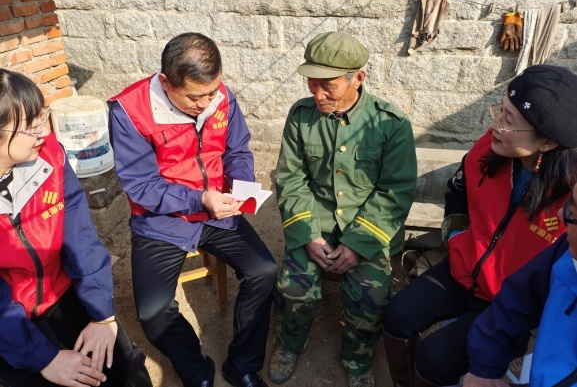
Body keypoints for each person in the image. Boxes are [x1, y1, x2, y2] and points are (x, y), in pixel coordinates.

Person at [381, 64, 577, 387]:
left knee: (434, 359)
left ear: (547, 143)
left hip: (507, 300)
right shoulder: (490, 148)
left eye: (509, 120)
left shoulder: (569, 199)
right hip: (464, 268)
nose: (496, 124)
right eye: (500, 110)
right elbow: (457, 193)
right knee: (396, 316)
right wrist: (457, 238)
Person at [108, 32, 277, 387]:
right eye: (195, 97)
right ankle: (197, 371)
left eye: (212, 92)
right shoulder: (130, 111)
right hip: (161, 220)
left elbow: (237, 151)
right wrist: (200, 199)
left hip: (218, 211)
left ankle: (242, 366)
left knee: (263, 271)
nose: (206, 103)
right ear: (165, 82)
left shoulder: (222, 97)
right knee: (153, 312)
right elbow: (141, 186)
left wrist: (241, 187)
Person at [269, 31, 417, 387]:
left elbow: (395, 191)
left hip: (367, 228)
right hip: (314, 223)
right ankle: (289, 344)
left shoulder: (390, 124)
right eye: (312, 82)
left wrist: (357, 244)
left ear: (358, 78)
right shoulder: (301, 116)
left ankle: (358, 361)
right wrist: (308, 236)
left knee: (371, 298)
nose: (317, 94)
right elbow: (291, 178)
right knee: (292, 288)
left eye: (328, 85)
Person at [0, 69, 152, 387]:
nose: (44, 133)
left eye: (42, 119)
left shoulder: (50, 157)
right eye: (31, 126)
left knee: (126, 370)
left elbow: (80, 235)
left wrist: (102, 313)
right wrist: (44, 358)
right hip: (9, 320)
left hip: (64, 290)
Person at [463, 182, 577, 387]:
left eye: (573, 212)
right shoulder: (566, 252)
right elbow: (518, 297)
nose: (560, 214)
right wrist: (484, 367)